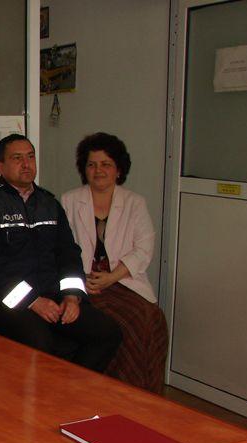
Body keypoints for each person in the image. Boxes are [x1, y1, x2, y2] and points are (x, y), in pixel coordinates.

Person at [0, 133, 121, 372]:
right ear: (0, 166)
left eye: (30, 157)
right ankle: (49, 392)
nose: (26, 164)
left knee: (108, 332)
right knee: (40, 342)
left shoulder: (49, 203)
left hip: (53, 295)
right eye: (17, 158)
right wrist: (33, 302)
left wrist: (72, 296)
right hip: (6, 300)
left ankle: (73, 387)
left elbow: (69, 253)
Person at [61, 132, 168, 392]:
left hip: (122, 279)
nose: (98, 170)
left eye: (106, 164)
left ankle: (142, 394)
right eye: (92, 164)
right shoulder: (69, 200)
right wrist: (82, 280)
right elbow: (63, 249)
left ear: (119, 170)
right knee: (115, 323)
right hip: (85, 282)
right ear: (84, 169)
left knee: (149, 319)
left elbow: (144, 247)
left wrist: (112, 276)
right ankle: (108, 393)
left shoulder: (134, 203)